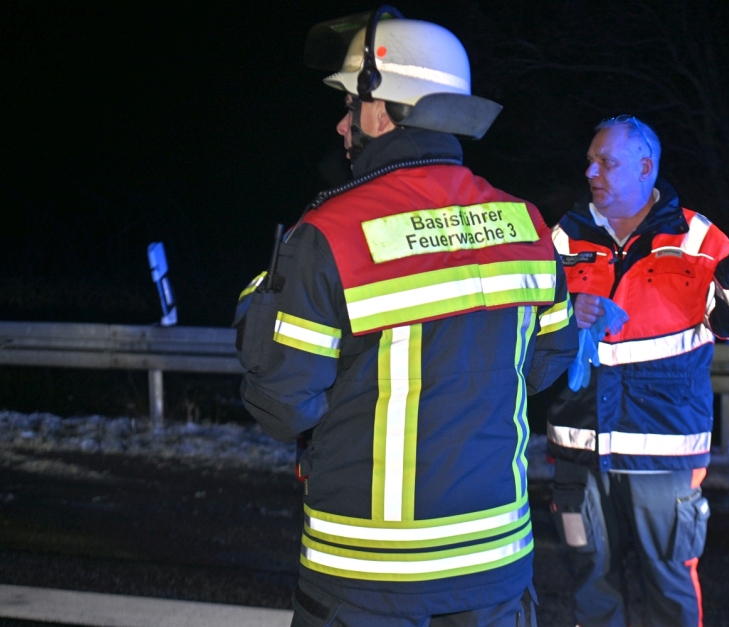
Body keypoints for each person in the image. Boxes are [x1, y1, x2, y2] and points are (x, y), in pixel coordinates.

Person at [234, 8, 578, 626]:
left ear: (382, 105)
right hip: (497, 561)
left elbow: (282, 405)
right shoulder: (526, 225)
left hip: (370, 576)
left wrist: (257, 304)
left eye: (348, 104)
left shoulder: (331, 234)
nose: (342, 123)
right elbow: (546, 363)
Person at [545, 115, 729, 627]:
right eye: (590, 160)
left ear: (645, 167)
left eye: (606, 162)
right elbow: (526, 328)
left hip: (665, 454)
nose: (591, 170)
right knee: (590, 584)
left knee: (670, 588)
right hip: (578, 455)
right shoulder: (560, 239)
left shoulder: (698, 238)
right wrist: (565, 316)